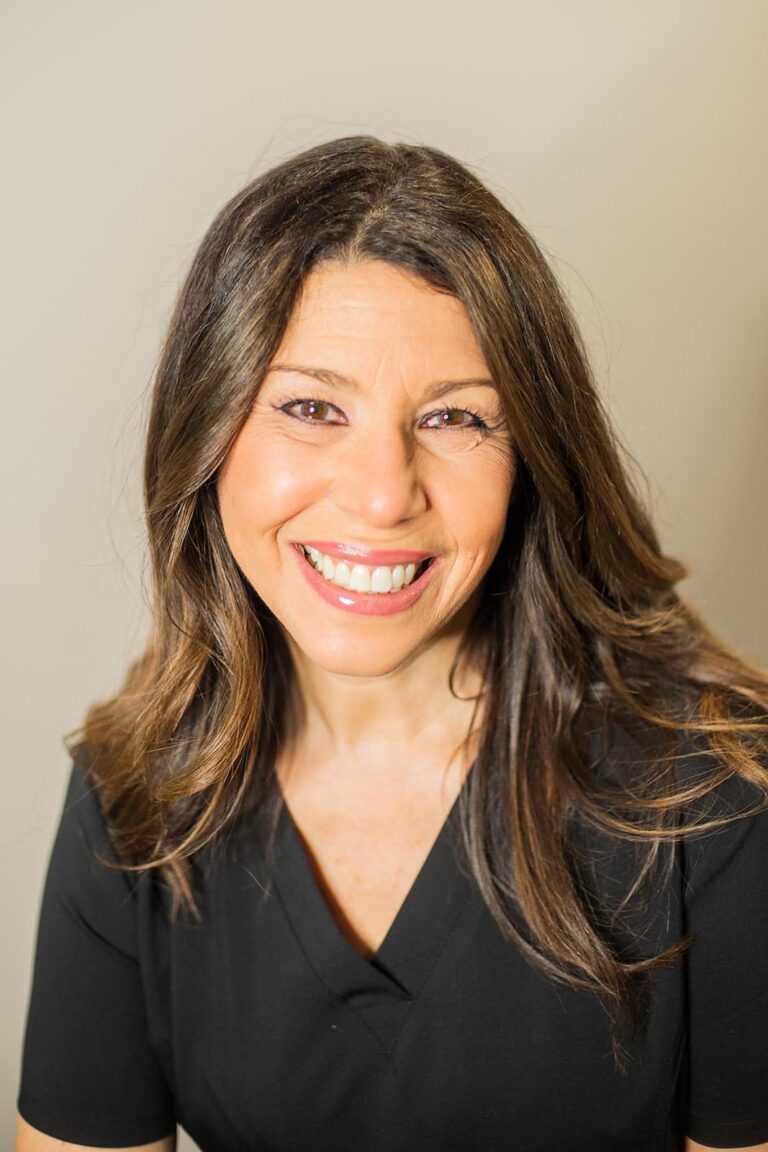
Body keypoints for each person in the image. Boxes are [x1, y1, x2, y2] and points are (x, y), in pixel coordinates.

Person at [15, 135, 768, 1152]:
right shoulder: (135, 793)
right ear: (206, 430)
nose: (382, 496)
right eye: (311, 407)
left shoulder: (718, 790)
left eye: (455, 419)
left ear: (533, 455)